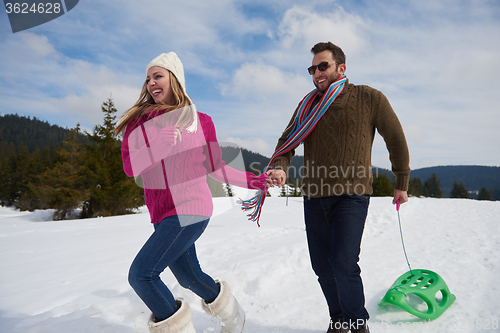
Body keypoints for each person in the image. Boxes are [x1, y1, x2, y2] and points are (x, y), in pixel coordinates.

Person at [114, 52, 269, 333]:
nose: (151, 83)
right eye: (148, 78)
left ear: (174, 79)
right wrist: (157, 146)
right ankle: (234, 316)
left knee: (142, 276)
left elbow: (216, 167)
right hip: (162, 213)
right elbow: (129, 167)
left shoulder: (200, 121)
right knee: (190, 277)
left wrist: (254, 181)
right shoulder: (140, 121)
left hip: (192, 209)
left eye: (158, 76)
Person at [267, 42, 410, 333]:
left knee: (344, 263)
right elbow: (287, 142)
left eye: (323, 66)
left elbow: (395, 137)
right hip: (314, 197)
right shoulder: (308, 105)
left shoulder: (369, 98)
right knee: (322, 268)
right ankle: (339, 320)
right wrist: (280, 166)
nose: (316, 73)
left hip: (352, 195)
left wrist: (401, 181)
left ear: (341, 68)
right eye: (312, 68)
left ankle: (357, 323)